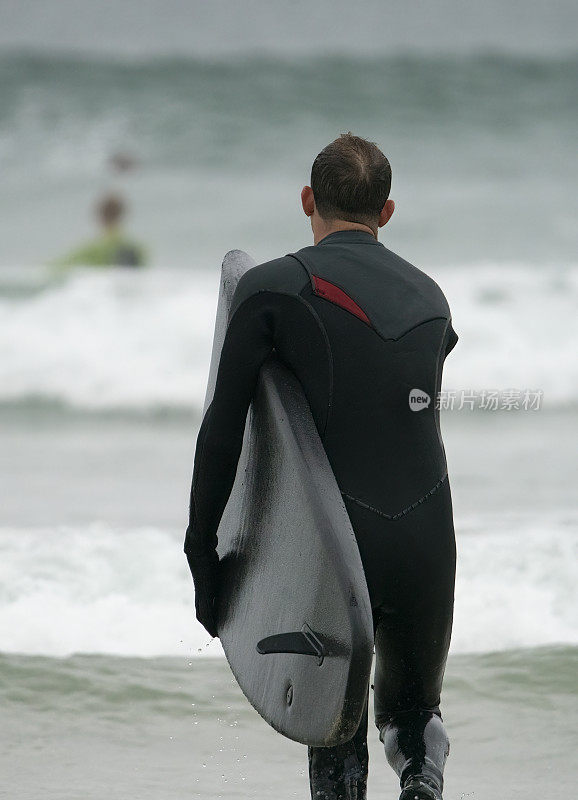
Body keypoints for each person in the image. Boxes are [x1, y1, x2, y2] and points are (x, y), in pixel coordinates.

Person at [184, 133, 459, 800]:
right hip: (428, 534)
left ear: (308, 198)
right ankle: (422, 778)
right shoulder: (432, 299)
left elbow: (225, 430)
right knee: (412, 714)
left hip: (337, 542)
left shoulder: (274, 287)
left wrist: (204, 556)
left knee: (334, 728)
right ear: (386, 212)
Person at [52, 193, 147, 269]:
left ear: (99, 216)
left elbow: (64, 265)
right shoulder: (137, 248)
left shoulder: (93, 249)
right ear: (122, 215)